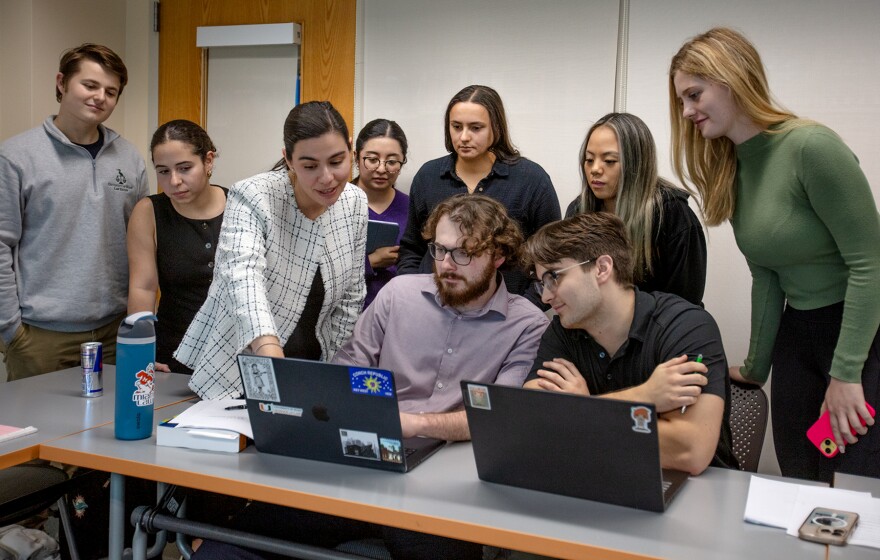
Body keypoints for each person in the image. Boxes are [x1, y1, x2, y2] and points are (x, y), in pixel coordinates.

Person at [192, 194, 549, 560]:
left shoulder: (527, 325)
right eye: (439, 250)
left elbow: (497, 417)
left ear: (499, 256)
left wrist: (411, 423)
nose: (446, 264)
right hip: (361, 465)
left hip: (442, 491)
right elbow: (347, 371)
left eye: (464, 254)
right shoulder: (399, 295)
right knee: (227, 546)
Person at [669, 27, 880, 482]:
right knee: (801, 471)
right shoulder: (734, 165)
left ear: (729, 78)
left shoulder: (811, 147)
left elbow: (871, 263)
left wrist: (845, 373)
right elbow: (767, 275)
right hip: (798, 336)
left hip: (859, 335)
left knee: (851, 483)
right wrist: (755, 365)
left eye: (693, 94)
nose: (686, 112)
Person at [175, 101, 368, 399]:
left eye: (337, 160)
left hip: (314, 370)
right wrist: (270, 357)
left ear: (351, 151)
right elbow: (244, 279)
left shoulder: (354, 202)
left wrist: (336, 373)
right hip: (241, 368)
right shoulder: (253, 195)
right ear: (288, 160)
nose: (327, 177)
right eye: (310, 166)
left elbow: (351, 296)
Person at [522, 213, 737, 475]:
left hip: (695, 493)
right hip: (602, 479)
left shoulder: (686, 327)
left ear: (602, 268)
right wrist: (644, 396)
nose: (545, 296)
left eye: (554, 277)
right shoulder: (562, 331)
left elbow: (689, 451)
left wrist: (580, 410)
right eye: (541, 283)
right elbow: (533, 423)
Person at [0, 43, 148, 380]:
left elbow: (143, 244)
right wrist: (11, 330)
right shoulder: (16, 156)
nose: (100, 97)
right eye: (90, 85)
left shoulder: (129, 158)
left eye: (111, 92)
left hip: (115, 332)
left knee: (111, 429)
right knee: (40, 432)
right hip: (40, 337)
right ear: (61, 83)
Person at [397, 84, 560, 302]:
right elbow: (412, 249)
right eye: (456, 127)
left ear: (496, 128)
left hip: (505, 313)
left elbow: (554, 257)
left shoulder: (531, 179)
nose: (464, 137)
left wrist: (525, 308)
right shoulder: (428, 176)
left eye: (476, 128)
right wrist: (415, 296)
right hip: (435, 307)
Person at [566, 112, 706, 306]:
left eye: (609, 161)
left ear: (636, 165)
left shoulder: (673, 215)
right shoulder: (577, 211)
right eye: (589, 160)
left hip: (659, 331)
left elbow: (684, 303)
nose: (595, 169)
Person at [127, 120, 227, 374]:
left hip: (233, 353)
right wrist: (140, 356)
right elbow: (143, 288)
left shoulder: (240, 205)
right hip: (171, 355)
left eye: (184, 168)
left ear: (208, 161)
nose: (174, 181)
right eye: (163, 171)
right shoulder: (148, 211)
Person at [353, 118, 410, 308]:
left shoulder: (412, 208)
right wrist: (371, 262)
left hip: (396, 315)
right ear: (356, 157)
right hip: (344, 319)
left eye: (392, 161)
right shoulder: (336, 204)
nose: (381, 169)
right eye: (372, 159)